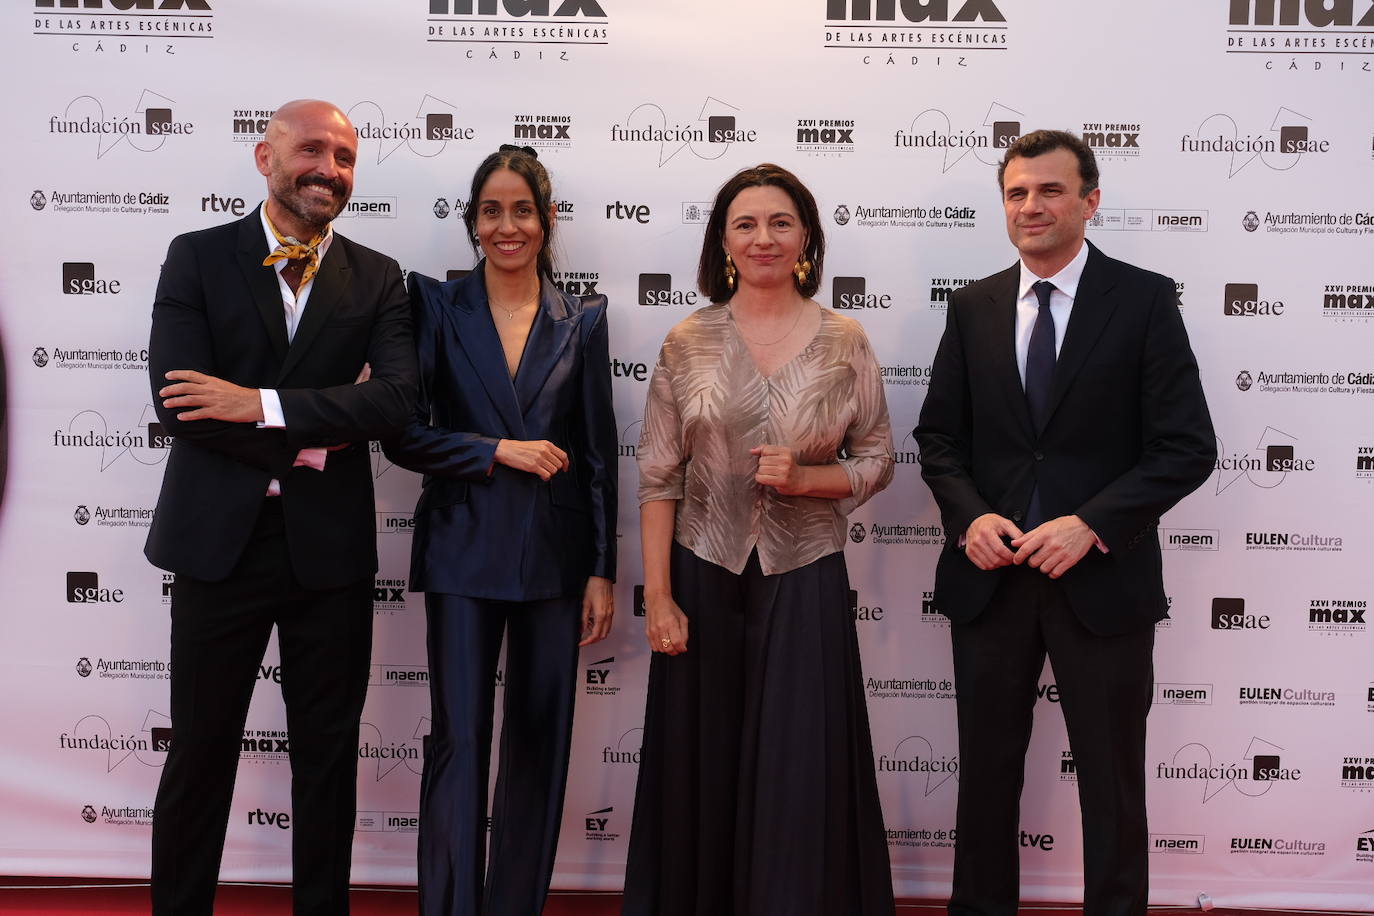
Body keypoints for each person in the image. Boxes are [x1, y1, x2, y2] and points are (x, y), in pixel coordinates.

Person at [915, 129, 1216, 916]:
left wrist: (1091, 523)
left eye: (1049, 190)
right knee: (983, 783)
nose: (1031, 206)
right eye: (1016, 192)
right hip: (993, 581)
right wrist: (969, 516)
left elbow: (1186, 448)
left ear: (1090, 200)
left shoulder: (1145, 299)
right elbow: (939, 438)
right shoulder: (974, 304)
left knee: (1113, 788)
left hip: (1102, 583)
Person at [144, 99, 418, 915]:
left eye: (344, 157)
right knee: (199, 753)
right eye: (311, 150)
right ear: (265, 157)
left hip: (326, 553)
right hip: (216, 546)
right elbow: (182, 406)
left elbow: (397, 403)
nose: (328, 170)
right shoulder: (195, 257)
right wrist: (319, 424)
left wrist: (258, 405)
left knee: (328, 758)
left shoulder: (378, 277)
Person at [623, 163, 896, 916]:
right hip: (702, 569)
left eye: (780, 222)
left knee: (799, 768)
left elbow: (877, 458)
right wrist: (661, 600)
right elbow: (657, 479)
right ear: (723, 241)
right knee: (698, 766)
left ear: (806, 236)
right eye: (745, 224)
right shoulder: (688, 340)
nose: (763, 237)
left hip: (805, 573)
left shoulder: (846, 341)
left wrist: (811, 480)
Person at [381, 145, 617, 916]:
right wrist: (494, 450)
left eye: (522, 210)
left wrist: (602, 570)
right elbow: (404, 435)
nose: (506, 225)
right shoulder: (435, 305)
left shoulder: (583, 317)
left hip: (555, 560)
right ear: (473, 222)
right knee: (459, 742)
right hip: (461, 550)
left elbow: (596, 455)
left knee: (540, 745)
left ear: (547, 221)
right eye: (491, 210)